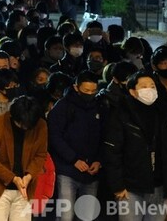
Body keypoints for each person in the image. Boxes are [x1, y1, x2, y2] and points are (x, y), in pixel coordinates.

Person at [102, 70, 167, 221]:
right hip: (131, 188)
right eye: (144, 86)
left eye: (152, 86)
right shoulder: (121, 115)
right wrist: (117, 186)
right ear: (133, 91)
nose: (149, 90)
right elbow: (112, 152)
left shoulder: (166, 116)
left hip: (161, 187)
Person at [47, 71, 103, 221]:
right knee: (66, 216)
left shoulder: (99, 106)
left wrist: (98, 160)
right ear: (76, 87)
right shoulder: (63, 106)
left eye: (93, 91)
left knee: (88, 216)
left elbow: (104, 136)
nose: (90, 94)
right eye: (86, 90)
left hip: (91, 171)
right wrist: (73, 159)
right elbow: (55, 137)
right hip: (67, 170)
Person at [0, 96, 48, 221]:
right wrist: (13, 178)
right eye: (21, 124)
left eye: (28, 126)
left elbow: (40, 155)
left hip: (25, 189)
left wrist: (29, 176)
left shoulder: (40, 126)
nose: (25, 128)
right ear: (12, 116)